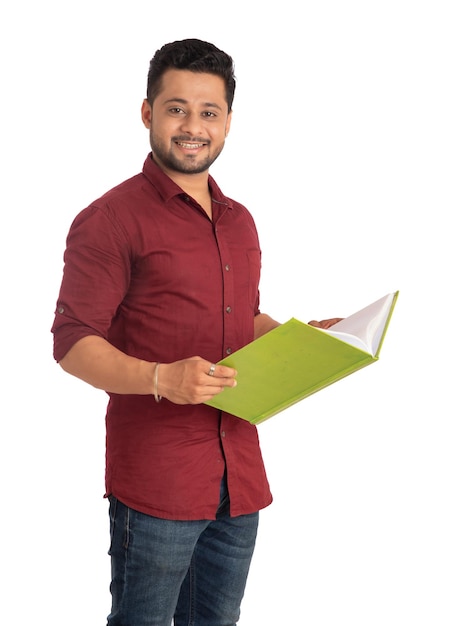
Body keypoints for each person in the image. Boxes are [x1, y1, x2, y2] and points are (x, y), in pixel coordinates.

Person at [51, 38, 341, 626]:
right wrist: (160, 378)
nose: (192, 126)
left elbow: (238, 320)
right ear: (147, 113)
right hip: (157, 483)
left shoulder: (239, 220)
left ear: (228, 121)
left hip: (239, 480)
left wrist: (301, 339)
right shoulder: (109, 220)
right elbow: (71, 342)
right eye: (176, 108)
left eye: (209, 112)